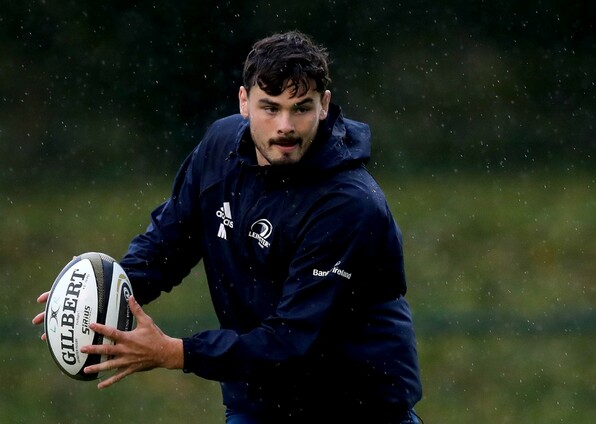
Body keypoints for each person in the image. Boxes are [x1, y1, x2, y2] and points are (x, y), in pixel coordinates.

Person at [33, 31, 423, 423]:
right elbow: (169, 243)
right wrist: (102, 297)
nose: (285, 125)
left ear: (323, 105)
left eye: (300, 108)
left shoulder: (348, 205)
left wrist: (176, 352)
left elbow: (291, 341)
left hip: (359, 407)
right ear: (243, 102)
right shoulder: (220, 149)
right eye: (270, 107)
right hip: (258, 403)